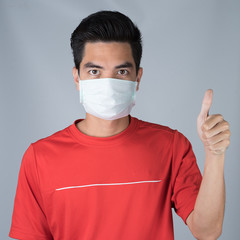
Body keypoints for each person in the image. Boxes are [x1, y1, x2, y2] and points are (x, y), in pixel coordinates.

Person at [9, 10, 230, 240]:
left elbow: (207, 231)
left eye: (121, 71)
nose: (108, 83)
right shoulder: (39, 158)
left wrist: (215, 155)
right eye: (94, 71)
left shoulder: (171, 146)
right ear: (77, 79)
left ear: (138, 78)